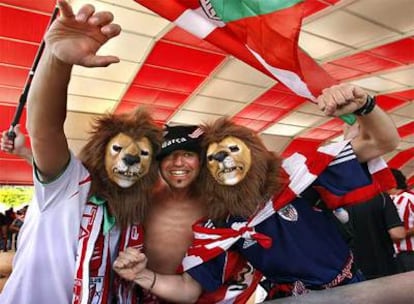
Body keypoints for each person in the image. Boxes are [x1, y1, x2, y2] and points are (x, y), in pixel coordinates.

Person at [113, 83, 400, 302]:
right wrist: (142, 275)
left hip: (354, 291)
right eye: (213, 158)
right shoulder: (220, 227)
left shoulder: (295, 176)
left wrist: (365, 105)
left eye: (232, 150)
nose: (225, 161)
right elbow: (189, 289)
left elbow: (383, 141)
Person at [0, 2, 163, 304]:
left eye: (142, 155)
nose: (131, 158)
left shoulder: (132, 218)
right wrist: (58, 63)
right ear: (100, 153)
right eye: (118, 149)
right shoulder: (72, 184)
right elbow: (45, 129)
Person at [345, 192, 405, 279]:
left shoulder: (334, 202)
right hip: (385, 265)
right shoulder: (381, 196)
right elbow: (398, 234)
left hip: (352, 271)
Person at [390, 169, 414, 272]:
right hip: (398, 255)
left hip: (409, 254)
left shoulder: (407, 199)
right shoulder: (390, 200)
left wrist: (403, 233)